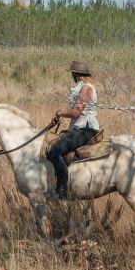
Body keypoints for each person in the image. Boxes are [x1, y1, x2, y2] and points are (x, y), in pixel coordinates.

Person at [47, 60, 99, 199]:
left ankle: (62, 190)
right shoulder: (82, 87)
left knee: (54, 151)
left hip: (85, 128)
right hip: (80, 127)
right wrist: (62, 115)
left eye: (72, 73)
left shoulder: (86, 88)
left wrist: (59, 113)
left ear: (75, 73)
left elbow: (76, 112)